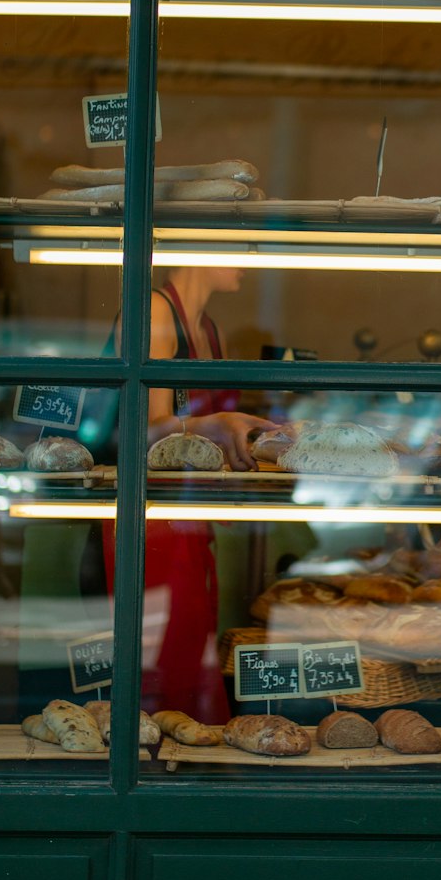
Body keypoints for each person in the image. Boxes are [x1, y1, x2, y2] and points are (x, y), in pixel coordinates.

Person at [102, 266, 274, 722]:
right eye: (240, 244)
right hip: (148, 521)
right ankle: (156, 769)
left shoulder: (209, 329)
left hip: (189, 516)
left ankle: (188, 759)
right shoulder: (156, 312)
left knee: (191, 648)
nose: (249, 257)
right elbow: (144, 427)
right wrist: (217, 425)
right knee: (161, 659)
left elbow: (202, 439)